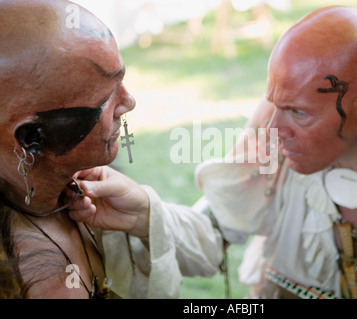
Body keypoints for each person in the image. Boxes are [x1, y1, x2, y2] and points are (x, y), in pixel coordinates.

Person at [69, 0, 357, 299]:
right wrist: (144, 213)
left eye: (298, 113)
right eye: (273, 104)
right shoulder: (278, 124)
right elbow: (214, 230)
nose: (272, 129)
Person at [0, 0, 224, 299]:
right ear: (32, 136)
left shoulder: (93, 192)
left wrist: (144, 215)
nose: (129, 102)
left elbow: (210, 248)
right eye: (105, 97)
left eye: (122, 81)